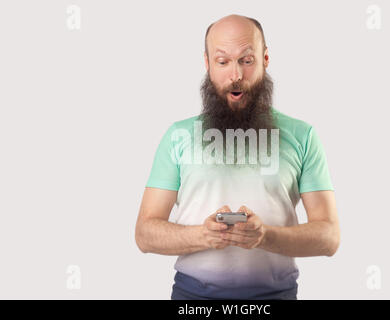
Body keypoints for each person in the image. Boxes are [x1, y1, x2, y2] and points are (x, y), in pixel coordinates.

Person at [135, 14, 340, 300]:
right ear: (207, 64)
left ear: (265, 59)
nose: (236, 75)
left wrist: (265, 237)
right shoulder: (177, 136)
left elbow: (329, 237)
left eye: (246, 60)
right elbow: (145, 234)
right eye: (223, 62)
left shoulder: (303, 135)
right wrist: (202, 236)